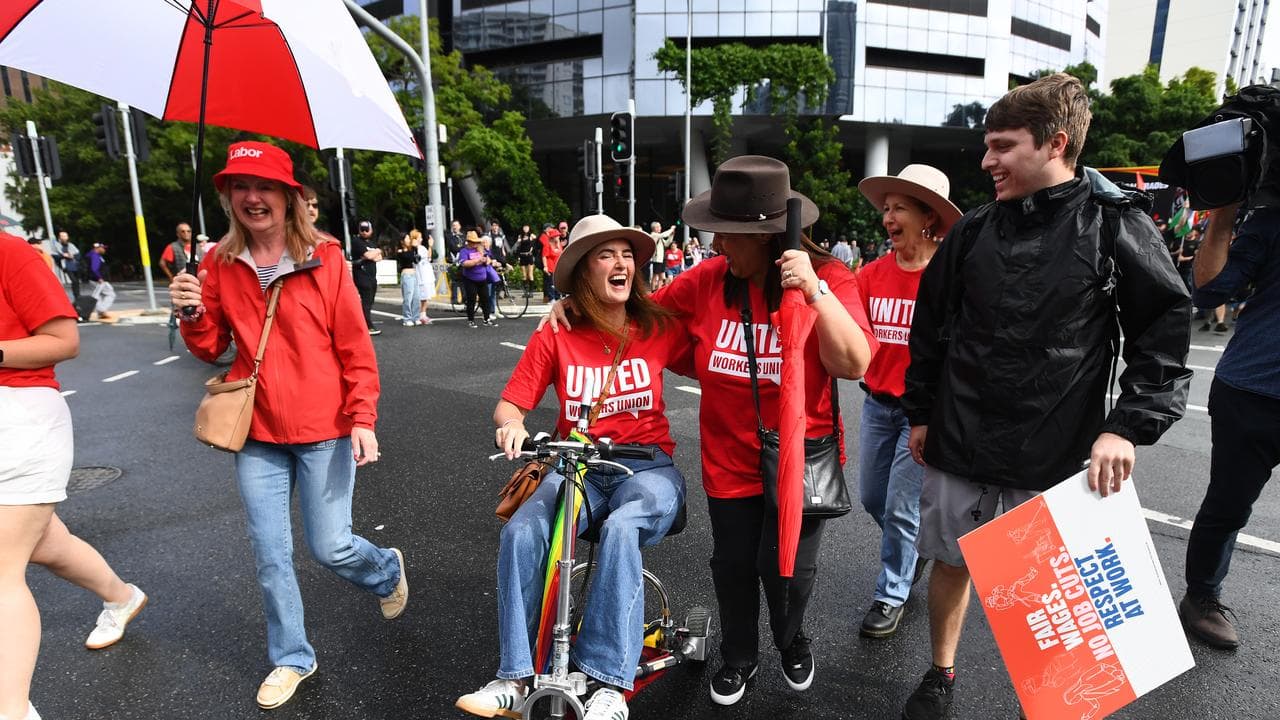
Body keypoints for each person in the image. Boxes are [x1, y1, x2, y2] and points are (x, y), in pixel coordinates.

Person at [898, 74, 1191, 720]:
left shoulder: (1114, 223)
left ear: (1056, 143)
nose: (986, 160)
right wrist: (920, 413)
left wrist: (1125, 426)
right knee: (950, 561)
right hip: (960, 435)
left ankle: (1057, 701)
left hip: (1054, 446)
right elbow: (931, 328)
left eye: (1002, 145)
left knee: (1051, 592)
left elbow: (1164, 334)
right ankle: (940, 672)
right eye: (987, 145)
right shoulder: (974, 230)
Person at [545, 156, 877, 706]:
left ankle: (792, 638)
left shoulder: (831, 278)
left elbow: (854, 362)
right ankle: (739, 655)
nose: (716, 243)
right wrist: (576, 304)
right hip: (728, 459)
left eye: (726, 233)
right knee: (734, 566)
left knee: (787, 570)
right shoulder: (706, 282)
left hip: (801, 459)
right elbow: (637, 319)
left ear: (765, 236)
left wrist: (815, 290)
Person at [169, 142, 408, 710]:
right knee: (270, 554)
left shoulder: (324, 258)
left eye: (265, 187)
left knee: (331, 547)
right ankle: (292, 657)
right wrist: (192, 311)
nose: (252, 197)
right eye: (240, 187)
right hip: (257, 432)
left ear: (288, 197)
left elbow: (355, 346)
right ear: (228, 197)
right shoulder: (217, 263)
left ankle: (384, 569)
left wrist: (363, 417)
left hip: (324, 427)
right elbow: (211, 347)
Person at [456, 215, 687, 720]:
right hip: (579, 464)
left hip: (647, 467)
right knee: (522, 531)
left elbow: (713, 349)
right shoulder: (557, 332)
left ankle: (608, 684)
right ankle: (515, 677)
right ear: (584, 270)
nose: (621, 263)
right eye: (606, 255)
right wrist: (512, 426)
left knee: (623, 527)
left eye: (626, 254)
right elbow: (510, 405)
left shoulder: (656, 324)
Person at [1, 232, 148, 720]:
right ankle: (122, 597)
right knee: (46, 544)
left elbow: (63, 341)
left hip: (18, 417)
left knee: (2, 569)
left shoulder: (10, 253)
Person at [853, 165, 962, 639]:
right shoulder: (870, 275)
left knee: (900, 506)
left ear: (928, 216)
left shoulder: (949, 277)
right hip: (876, 406)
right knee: (873, 498)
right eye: (886, 208)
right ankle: (912, 550)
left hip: (922, 413)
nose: (888, 218)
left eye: (899, 208)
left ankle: (891, 593)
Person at [1177, 201, 1280, 649]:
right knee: (1229, 506)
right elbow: (1210, 292)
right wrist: (1223, 213)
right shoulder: (1272, 221)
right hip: (1254, 392)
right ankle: (1201, 597)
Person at [350, 220, 383, 336]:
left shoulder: (371, 244)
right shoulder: (356, 241)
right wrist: (376, 251)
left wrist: (372, 255)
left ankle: (361, 323)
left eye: (366, 229)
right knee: (366, 301)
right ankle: (368, 326)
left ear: (371, 230)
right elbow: (369, 255)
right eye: (362, 229)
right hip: (361, 275)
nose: (364, 232)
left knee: (370, 301)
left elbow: (379, 258)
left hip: (372, 276)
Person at [458, 231, 497, 328]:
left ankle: (486, 319)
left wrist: (485, 259)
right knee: (471, 299)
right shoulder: (464, 251)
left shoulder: (480, 249)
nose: (476, 243)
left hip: (482, 278)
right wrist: (477, 261)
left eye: (476, 242)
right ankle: (471, 320)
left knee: (485, 299)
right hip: (470, 279)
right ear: (469, 242)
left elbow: (488, 260)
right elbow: (465, 263)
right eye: (474, 242)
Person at [411, 229, 434, 325]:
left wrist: (430, 246)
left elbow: (429, 258)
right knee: (421, 296)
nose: (421, 239)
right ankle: (418, 315)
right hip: (420, 274)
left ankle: (423, 314)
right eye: (419, 237)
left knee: (426, 296)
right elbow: (417, 260)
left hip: (427, 273)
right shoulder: (413, 249)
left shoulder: (423, 248)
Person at [86, 243, 114, 320]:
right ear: (97, 248)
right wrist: (99, 277)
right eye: (103, 248)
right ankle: (101, 311)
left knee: (98, 296)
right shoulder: (95, 256)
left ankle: (101, 312)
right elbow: (94, 268)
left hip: (95, 279)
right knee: (109, 294)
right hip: (98, 280)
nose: (104, 249)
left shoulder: (93, 255)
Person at [53, 231, 81, 299]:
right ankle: (76, 296)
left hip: (74, 265)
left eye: (65, 236)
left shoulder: (71, 245)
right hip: (66, 266)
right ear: (59, 238)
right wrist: (64, 256)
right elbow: (55, 256)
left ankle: (78, 295)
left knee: (77, 281)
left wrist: (72, 256)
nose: (64, 238)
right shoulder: (56, 246)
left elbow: (78, 255)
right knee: (74, 281)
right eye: (62, 236)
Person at [542, 225, 565, 301]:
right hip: (550, 267)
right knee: (551, 283)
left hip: (557, 267)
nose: (558, 237)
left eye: (558, 236)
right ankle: (551, 298)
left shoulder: (559, 245)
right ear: (553, 237)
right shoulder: (547, 245)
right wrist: (545, 266)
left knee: (557, 283)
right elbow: (544, 256)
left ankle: (558, 297)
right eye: (556, 236)